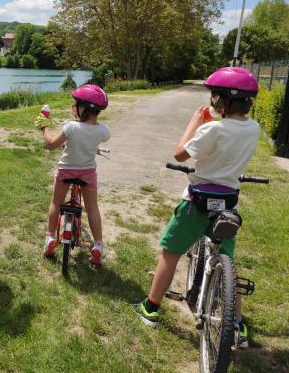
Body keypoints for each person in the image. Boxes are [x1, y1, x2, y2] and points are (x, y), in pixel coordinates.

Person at [134, 67, 260, 348]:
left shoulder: (212, 128)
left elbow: (180, 154)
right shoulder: (254, 128)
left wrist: (195, 122)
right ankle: (238, 325)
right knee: (228, 259)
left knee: (171, 252)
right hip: (227, 202)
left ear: (222, 101)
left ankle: (151, 308)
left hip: (197, 201)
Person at [35, 84, 110, 267]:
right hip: (87, 173)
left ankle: (50, 238)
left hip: (66, 170)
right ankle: (98, 245)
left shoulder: (70, 127)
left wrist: (44, 126)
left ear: (82, 108)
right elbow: (93, 138)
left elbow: (51, 144)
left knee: (56, 203)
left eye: (75, 104)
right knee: (92, 208)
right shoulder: (103, 131)